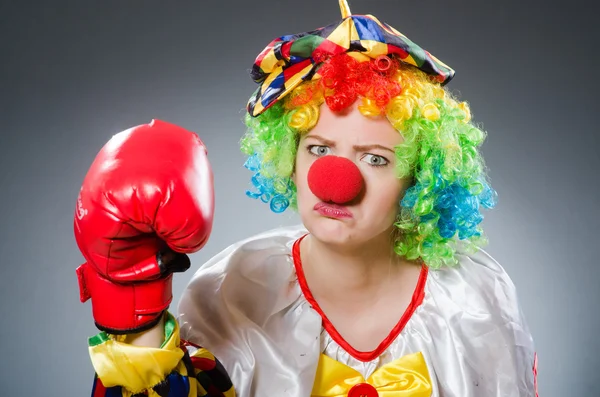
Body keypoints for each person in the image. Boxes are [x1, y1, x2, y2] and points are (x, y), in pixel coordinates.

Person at [75, 1, 538, 396]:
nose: (335, 180)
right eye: (318, 148)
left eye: (375, 159)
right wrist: (133, 302)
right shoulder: (233, 289)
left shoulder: (473, 296)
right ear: (289, 157)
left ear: (420, 178)